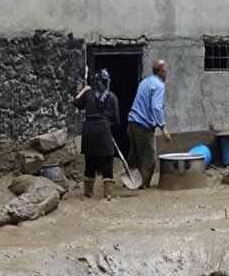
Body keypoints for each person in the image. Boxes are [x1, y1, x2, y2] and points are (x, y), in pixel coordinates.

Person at [74, 69, 120, 200]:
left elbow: (76, 102)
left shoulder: (88, 94)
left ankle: (88, 194)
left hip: (89, 131)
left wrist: (84, 89)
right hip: (104, 131)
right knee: (107, 162)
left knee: (90, 161)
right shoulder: (112, 97)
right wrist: (106, 123)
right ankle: (108, 195)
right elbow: (116, 119)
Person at [128, 59, 172, 188]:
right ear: (162, 72)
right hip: (143, 126)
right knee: (149, 158)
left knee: (134, 155)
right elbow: (156, 107)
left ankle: (131, 181)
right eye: (166, 71)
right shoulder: (158, 85)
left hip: (132, 123)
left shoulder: (144, 82)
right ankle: (143, 184)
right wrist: (163, 128)